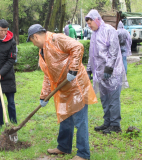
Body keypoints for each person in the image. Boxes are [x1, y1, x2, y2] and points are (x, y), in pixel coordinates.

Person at [27, 24, 97, 160]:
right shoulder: (42, 52)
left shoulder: (56, 39)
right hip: (63, 89)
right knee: (65, 117)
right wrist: (44, 96)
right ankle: (64, 147)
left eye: (32, 41)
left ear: (35, 37)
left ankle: (83, 153)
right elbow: (48, 76)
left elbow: (77, 47)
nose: (34, 44)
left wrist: (73, 69)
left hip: (76, 85)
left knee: (80, 120)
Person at [85, 10, 129, 134]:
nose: (89, 26)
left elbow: (114, 51)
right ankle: (107, 122)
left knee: (113, 99)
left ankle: (115, 125)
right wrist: (89, 70)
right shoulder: (94, 33)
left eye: (90, 23)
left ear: (97, 20)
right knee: (104, 98)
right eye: (88, 24)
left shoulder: (109, 30)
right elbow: (92, 54)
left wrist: (109, 69)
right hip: (100, 73)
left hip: (113, 71)